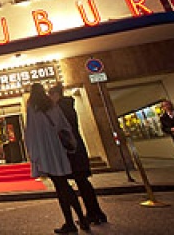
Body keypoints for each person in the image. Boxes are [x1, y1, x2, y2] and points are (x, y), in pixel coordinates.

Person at [25, 83, 89, 234]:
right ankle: (79, 219)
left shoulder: (32, 109)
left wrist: (33, 155)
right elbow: (64, 126)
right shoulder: (52, 106)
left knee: (61, 187)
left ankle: (71, 222)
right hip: (59, 151)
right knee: (63, 185)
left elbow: (30, 133)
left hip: (46, 153)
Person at [49, 84, 107, 225]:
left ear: (56, 95)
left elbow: (62, 130)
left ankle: (92, 214)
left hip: (71, 151)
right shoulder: (67, 106)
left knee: (80, 182)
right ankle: (96, 213)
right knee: (83, 182)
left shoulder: (62, 108)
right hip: (76, 149)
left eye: (51, 95)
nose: (50, 98)